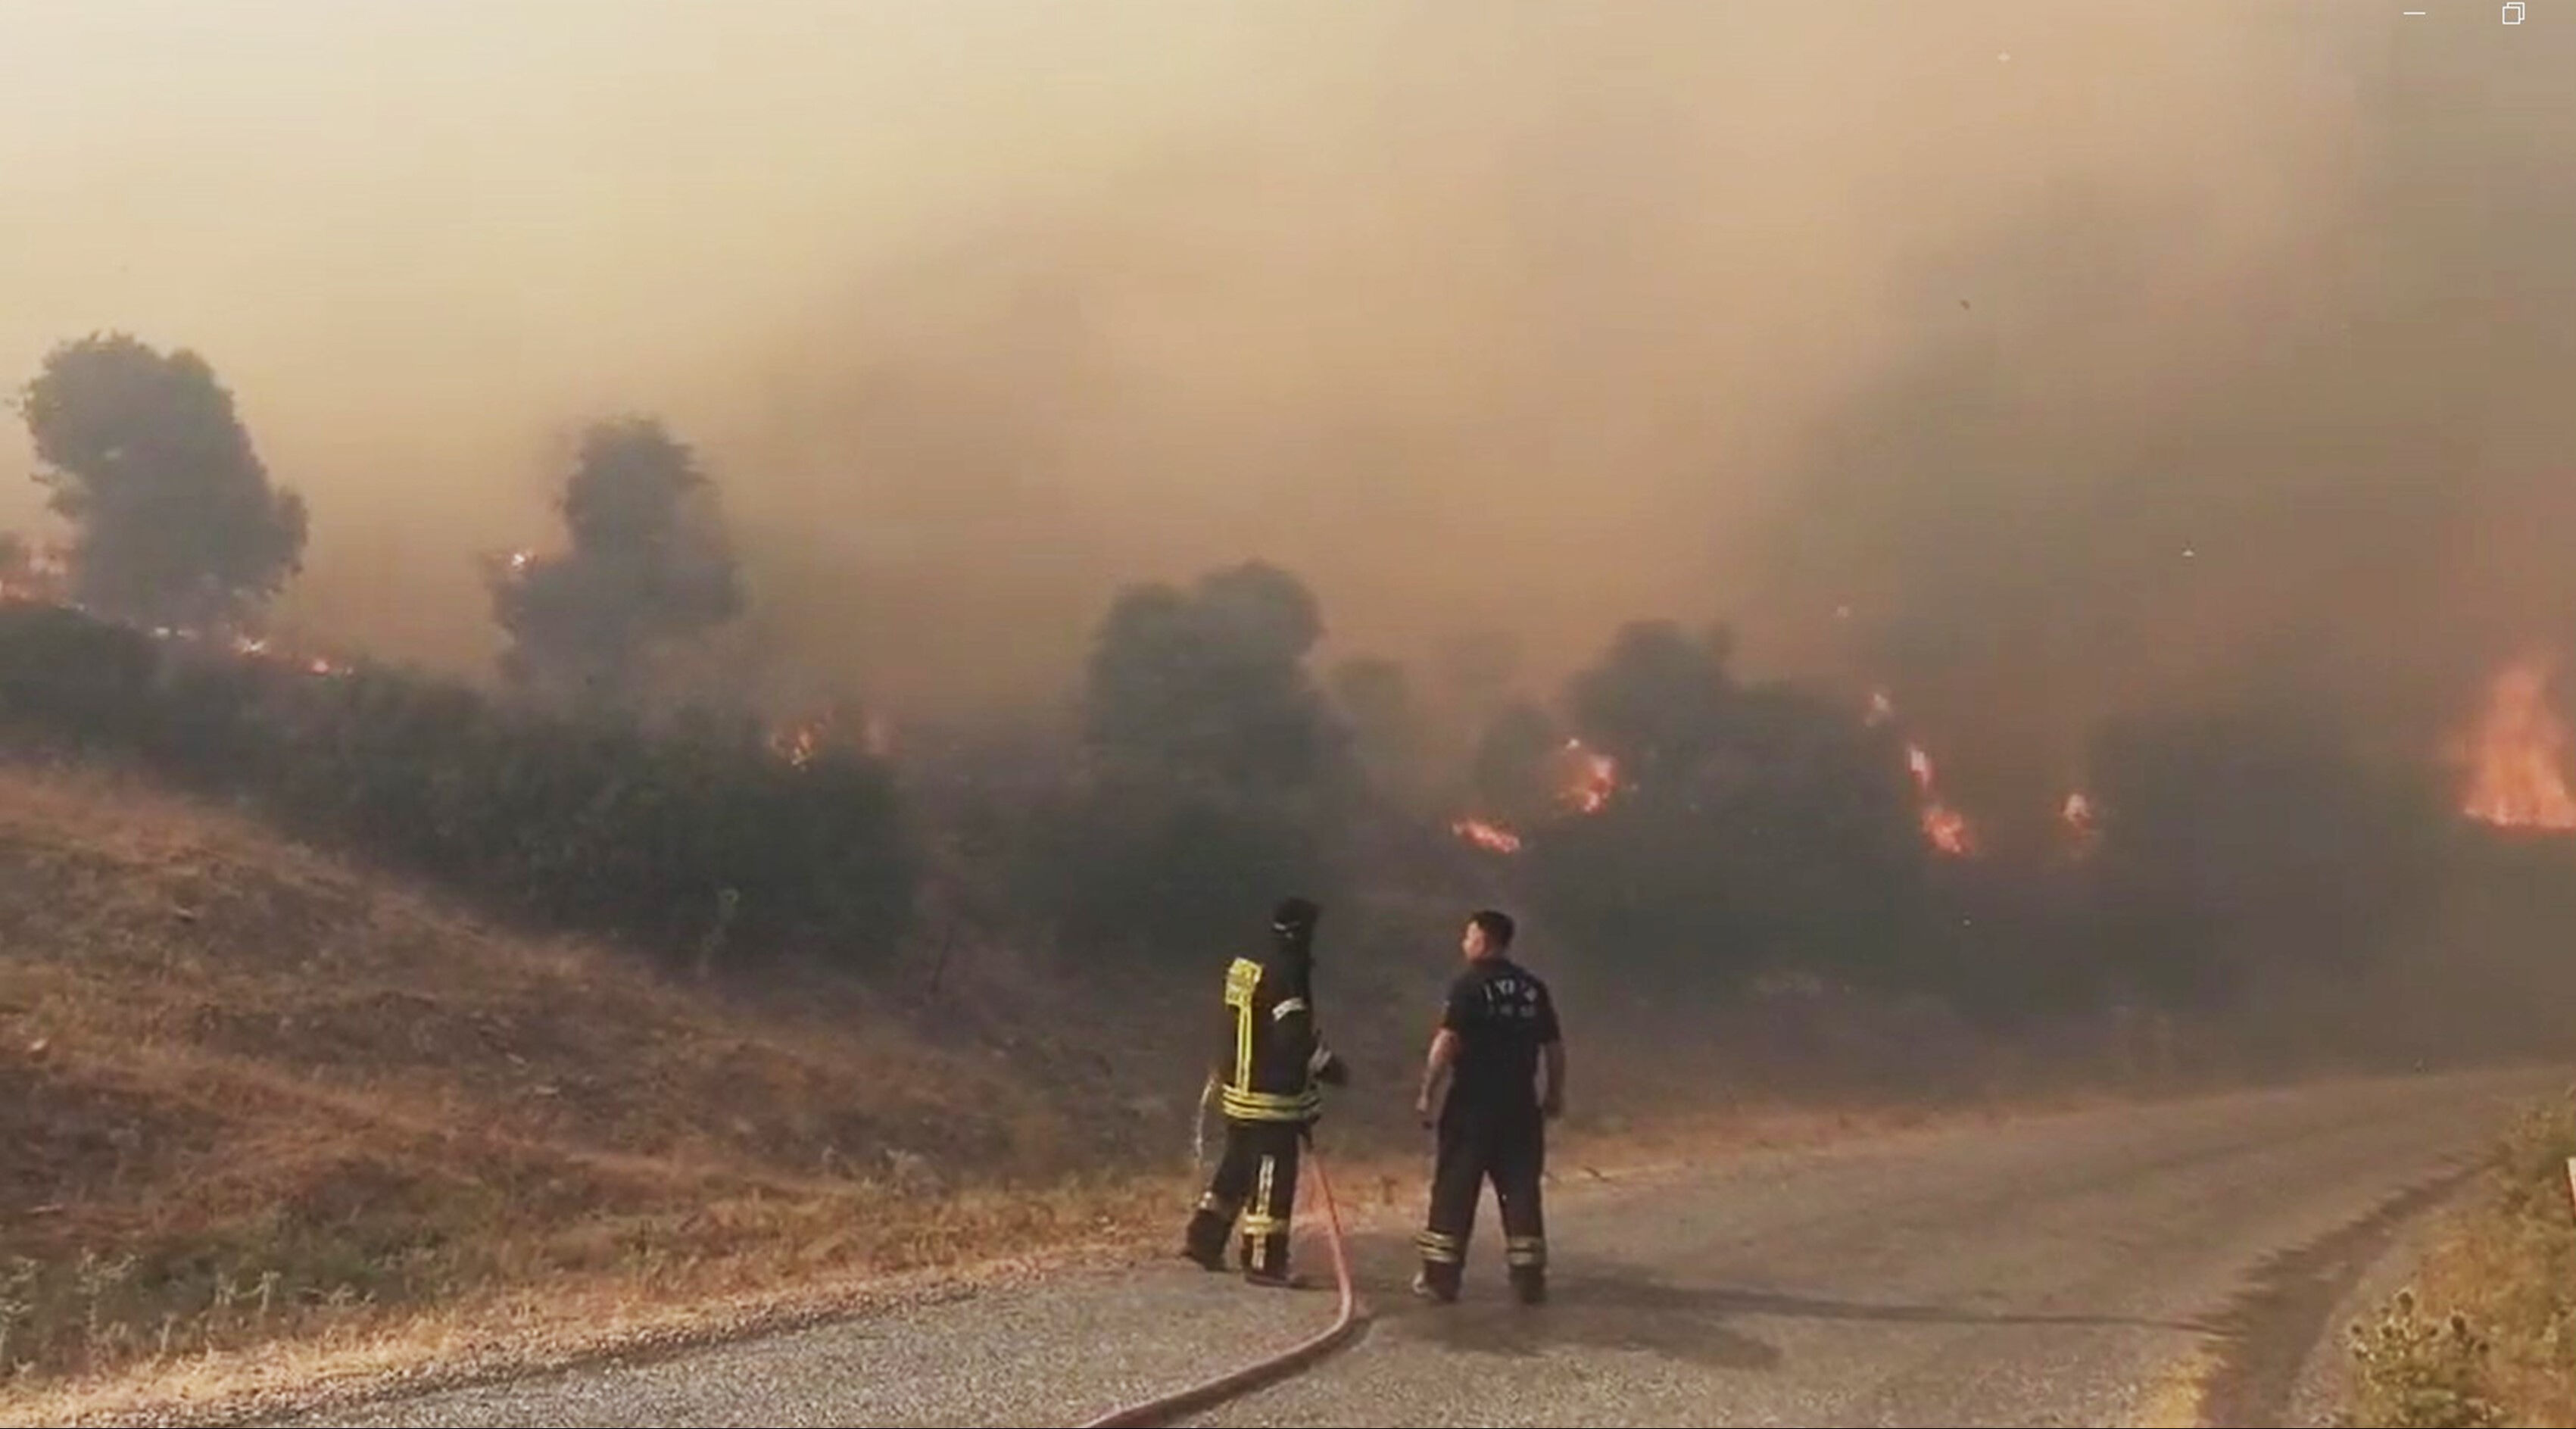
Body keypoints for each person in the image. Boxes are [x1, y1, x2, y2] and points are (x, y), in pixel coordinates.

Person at [1180, 895, 1348, 1288]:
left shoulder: (1248, 962)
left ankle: (1204, 1238)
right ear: (1301, 933)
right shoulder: (1287, 970)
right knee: (1273, 1172)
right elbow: (1292, 1037)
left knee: (1238, 1165)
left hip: (1238, 1086)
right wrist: (1328, 1068)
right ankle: (1264, 1259)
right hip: (1270, 1095)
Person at [1412, 907, 1564, 1305]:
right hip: (1520, 1105)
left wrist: (1428, 1092)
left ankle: (1440, 1279)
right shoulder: (1533, 988)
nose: (1464, 943)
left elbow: (1448, 1041)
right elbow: (1553, 1047)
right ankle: (1528, 1280)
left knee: (1454, 1189)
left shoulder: (1468, 985)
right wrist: (1554, 1093)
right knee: (1521, 1190)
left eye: (1469, 936)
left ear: (1483, 940)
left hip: (1472, 1106)